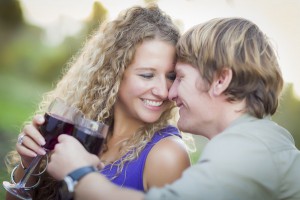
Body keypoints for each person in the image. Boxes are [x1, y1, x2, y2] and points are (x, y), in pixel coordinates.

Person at [46, 17, 300, 200]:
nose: (170, 92)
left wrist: (78, 173)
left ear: (221, 80)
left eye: (178, 77)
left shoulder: (246, 151)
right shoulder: (261, 140)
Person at [5, 4, 191, 200]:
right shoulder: (81, 131)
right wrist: (30, 164)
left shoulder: (167, 155)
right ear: (114, 74)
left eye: (171, 76)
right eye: (147, 75)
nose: (163, 91)